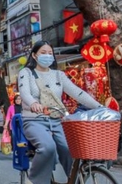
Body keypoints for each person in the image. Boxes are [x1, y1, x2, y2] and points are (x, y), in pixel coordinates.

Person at [18, 41, 103, 184]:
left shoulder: (59, 75)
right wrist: (33, 103)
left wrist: (99, 106)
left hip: (58, 120)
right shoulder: (25, 73)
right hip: (34, 120)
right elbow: (25, 93)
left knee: (71, 149)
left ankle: (74, 179)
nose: (47, 56)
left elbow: (78, 93)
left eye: (50, 53)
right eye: (43, 53)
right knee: (47, 147)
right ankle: (34, 180)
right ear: (34, 55)